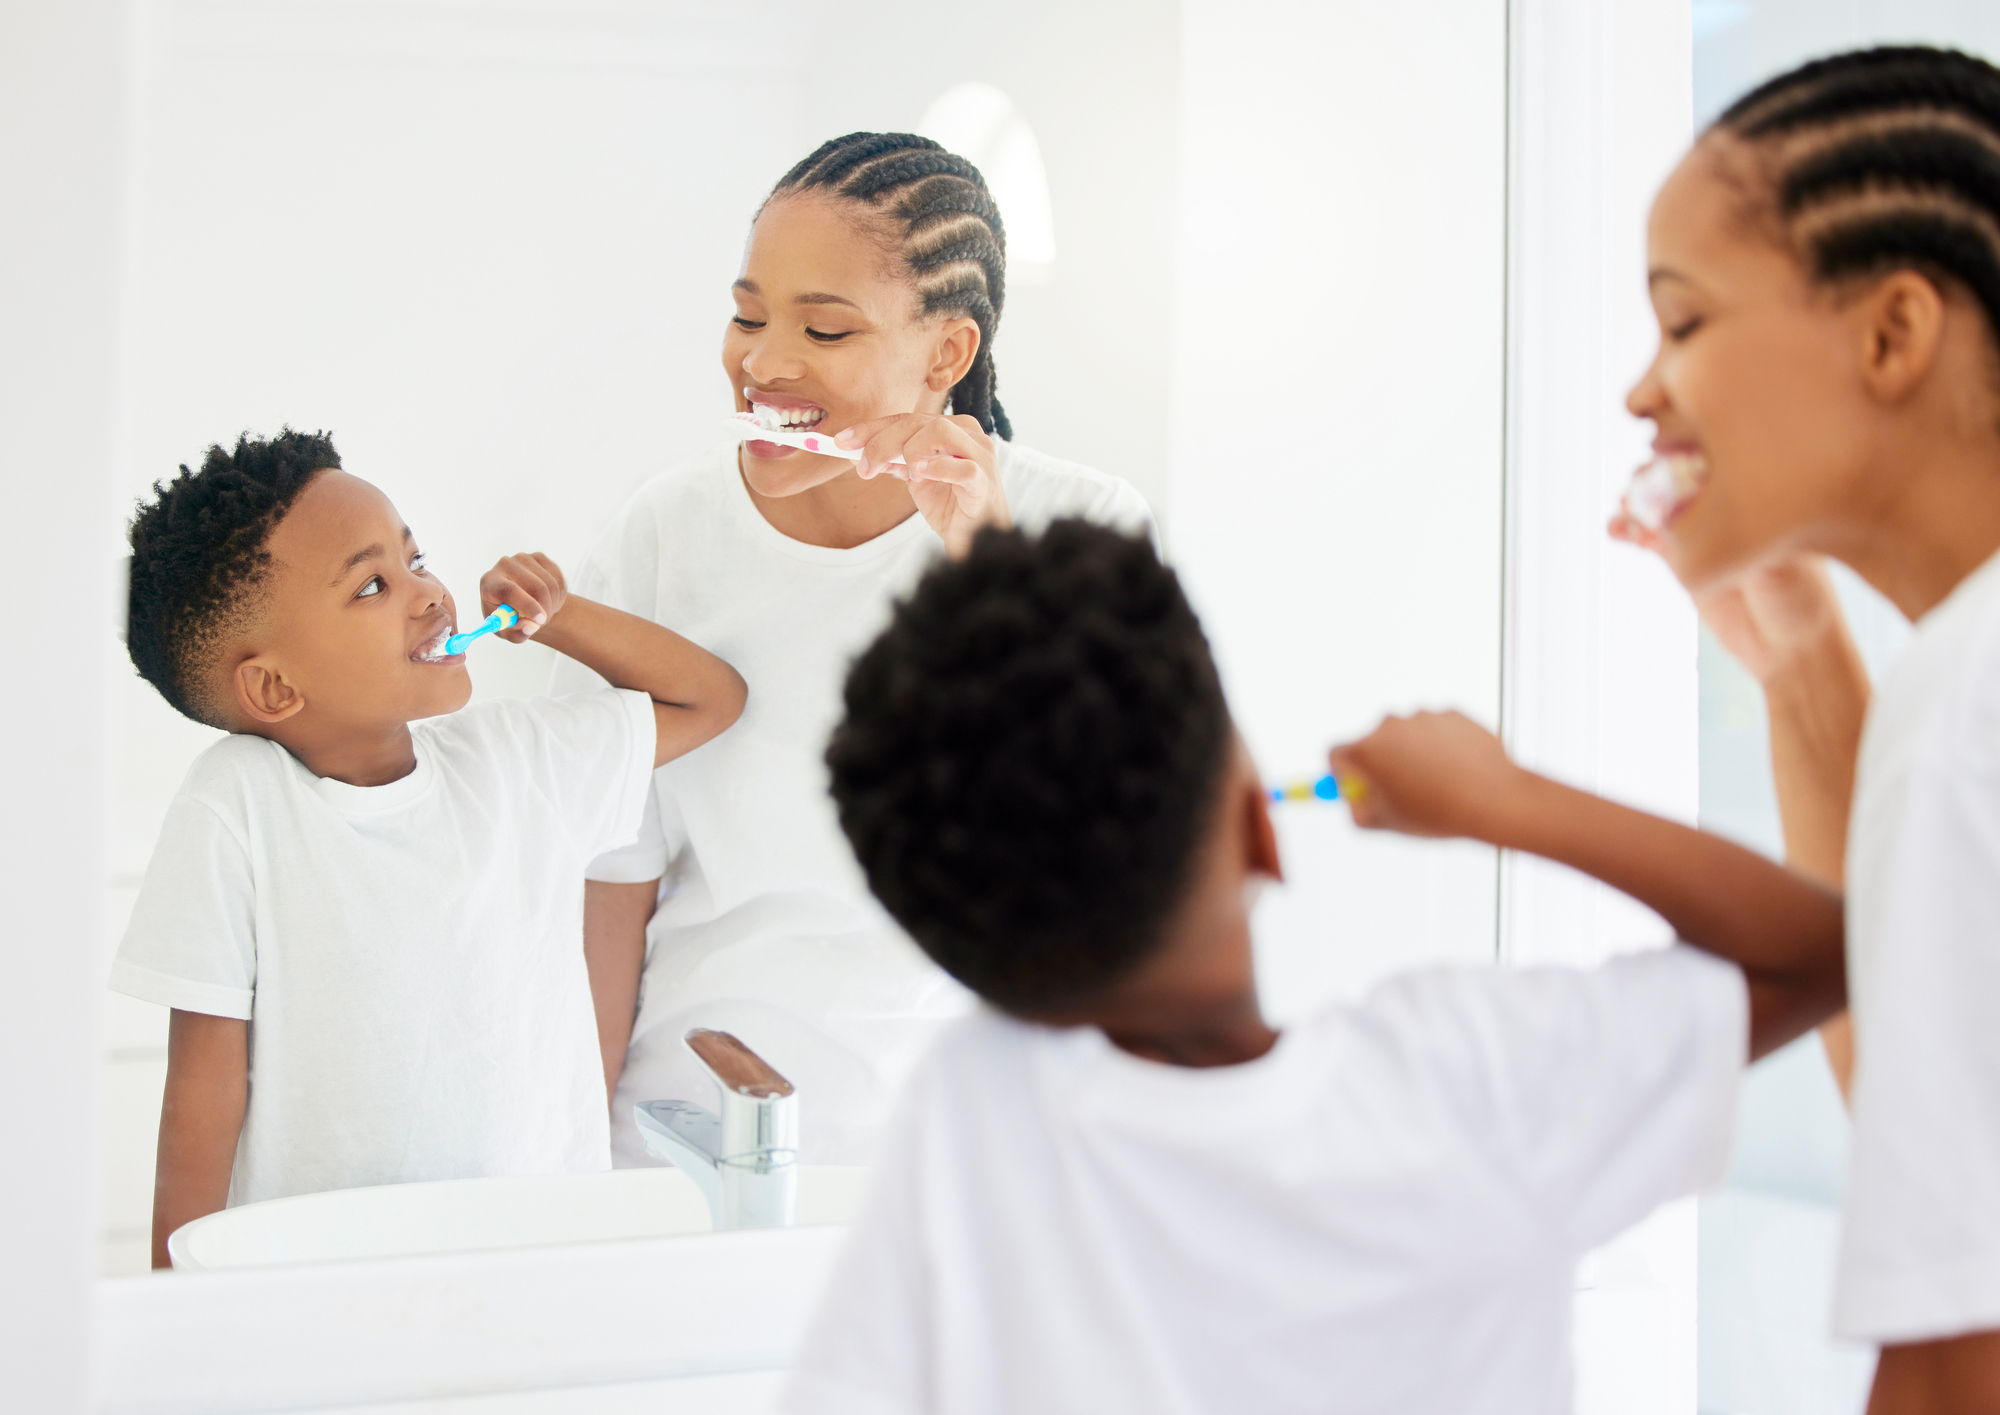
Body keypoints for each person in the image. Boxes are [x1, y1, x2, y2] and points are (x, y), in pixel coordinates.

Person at [785, 520, 1842, 1414]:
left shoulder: (969, 1114)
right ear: (1263, 827)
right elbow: (1822, 949)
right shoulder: (1468, 1080)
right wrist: (1501, 796)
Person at [556, 133, 1154, 1165]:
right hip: (682, 1142)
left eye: (823, 329)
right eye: (747, 315)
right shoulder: (662, 534)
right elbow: (610, 881)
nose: (762, 362)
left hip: (976, 1154)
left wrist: (990, 566)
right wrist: (570, 1160)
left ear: (945, 356)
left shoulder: (1084, 527)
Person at [1606, 45, 2000, 1407]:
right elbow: (1923, 1097)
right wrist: (1803, 663)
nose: (1642, 394)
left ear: (1893, 332)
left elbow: (1960, 1346)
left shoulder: (1967, 700)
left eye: (1686, 322)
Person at [112, 429, 745, 1267]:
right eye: (373, 584)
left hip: (543, 1254)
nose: (429, 593)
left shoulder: (519, 761)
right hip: (322, 1275)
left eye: (416, 558)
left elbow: (712, 698)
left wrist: (560, 618)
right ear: (272, 685)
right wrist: (173, 1298)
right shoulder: (237, 804)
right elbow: (202, 1088)